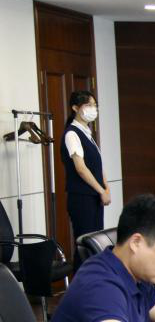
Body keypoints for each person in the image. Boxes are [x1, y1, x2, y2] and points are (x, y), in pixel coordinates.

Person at [60, 90, 112, 242]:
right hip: (82, 197)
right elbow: (81, 169)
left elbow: (98, 165)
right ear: (75, 108)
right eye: (88, 105)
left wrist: (106, 188)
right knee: (86, 244)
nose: (93, 109)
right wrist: (101, 190)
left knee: (96, 243)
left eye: (95, 105)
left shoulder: (87, 134)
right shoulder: (72, 134)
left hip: (94, 196)